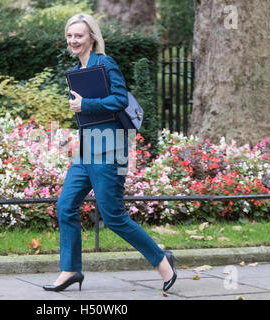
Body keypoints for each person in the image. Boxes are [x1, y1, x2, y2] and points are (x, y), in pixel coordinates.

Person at [43, 13, 177, 293]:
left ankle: (162, 260)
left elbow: (119, 99)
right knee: (65, 205)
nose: (73, 40)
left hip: (110, 148)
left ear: (91, 37)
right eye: (69, 35)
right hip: (86, 149)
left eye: (78, 35)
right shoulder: (80, 68)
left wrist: (86, 105)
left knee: (113, 215)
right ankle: (70, 269)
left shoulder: (105, 63)